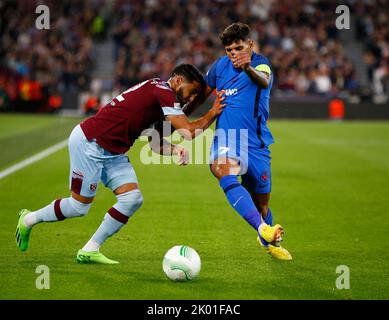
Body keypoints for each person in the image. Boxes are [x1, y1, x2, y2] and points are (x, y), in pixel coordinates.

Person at [15, 64, 225, 264]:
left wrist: (175, 149)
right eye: (193, 90)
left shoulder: (162, 95)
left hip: (113, 151)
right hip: (91, 142)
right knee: (79, 207)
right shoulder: (163, 92)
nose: (193, 97)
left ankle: (90, 250)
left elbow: (155, 143)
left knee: (131, 199)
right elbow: (188, 132)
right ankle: (28, 219)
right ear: (178, 80)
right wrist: (212, 112)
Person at [200, 23, 292, 260]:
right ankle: (263, 229)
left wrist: (248, 67)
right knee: (222, 168)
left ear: (250, 44)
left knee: (262, 206)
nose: (233, 53)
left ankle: (269, 241)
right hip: (229, 137)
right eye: (229, 49)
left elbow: (263, 80)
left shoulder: (260, 63)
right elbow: (201, 93)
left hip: (257, 144)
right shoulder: (219, 67)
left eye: (238, 47)